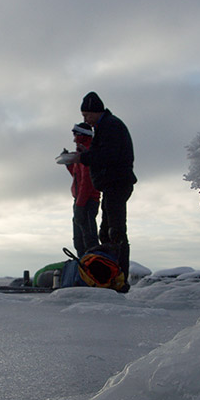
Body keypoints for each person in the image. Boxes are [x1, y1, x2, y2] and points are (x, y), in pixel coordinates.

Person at [78, 91, 137, 291]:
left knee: (116, 231)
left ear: (96, 112)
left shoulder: (110, 125)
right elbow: (102, 153)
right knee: (106, 231)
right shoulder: (105, 126)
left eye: (87, 115)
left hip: (117, 183)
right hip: (112, 185)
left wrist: (84, 158)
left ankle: (120, 279)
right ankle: (110, 274)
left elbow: (108, 155)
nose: (86, 120)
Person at [64, 122, 100, 256]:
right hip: (81, 200)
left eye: (75, 135)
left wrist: (80, 205)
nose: (74, 139)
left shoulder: (88, 153)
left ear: (81, 136)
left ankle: (92, 269)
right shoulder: (81, 153)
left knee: (88, 240)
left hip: (87, 201)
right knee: (79, 240)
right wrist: (69, 164)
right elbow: (78, 175)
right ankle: (84, 268)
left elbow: (87, 182)